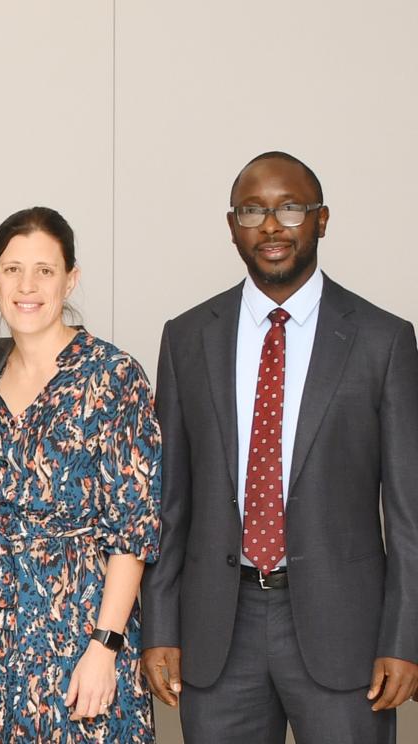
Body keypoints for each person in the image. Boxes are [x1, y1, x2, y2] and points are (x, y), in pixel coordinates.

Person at [140, 152, 418, 743]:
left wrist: (405, 637)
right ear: (231, 225)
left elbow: (409, 512)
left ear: (321, 219)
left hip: (347, 632)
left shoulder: (383, 340)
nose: (271, 225)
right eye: (252, 210)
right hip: (219, 629)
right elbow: (169, 502)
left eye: (290, 208)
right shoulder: (187, 337)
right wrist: (160, 626)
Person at [0, 207, 161, 743]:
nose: (27, 286)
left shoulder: (112, 376)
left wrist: (105, 646)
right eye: (12, 270)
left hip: (74, 620)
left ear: (70, 278)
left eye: (45, 270)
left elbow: (134, 525)